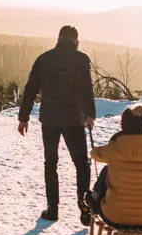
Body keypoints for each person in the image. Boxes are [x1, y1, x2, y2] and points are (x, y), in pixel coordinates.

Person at [18, 25, 96, 224]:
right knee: (81, 164)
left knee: (50, 164)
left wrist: (23, 117)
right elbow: (85, 89)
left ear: (58, 39)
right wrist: (89, 114)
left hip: (50, 119)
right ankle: (84, 207)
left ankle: (52, 209)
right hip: (73, 120)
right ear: (76, 42)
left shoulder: (43, 59)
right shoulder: (81, 59)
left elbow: (30, 89)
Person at [86, 103, 142, 228]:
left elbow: (95, 154)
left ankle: (94, 199)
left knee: (107, 171)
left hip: (114, 216)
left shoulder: (115, 147)